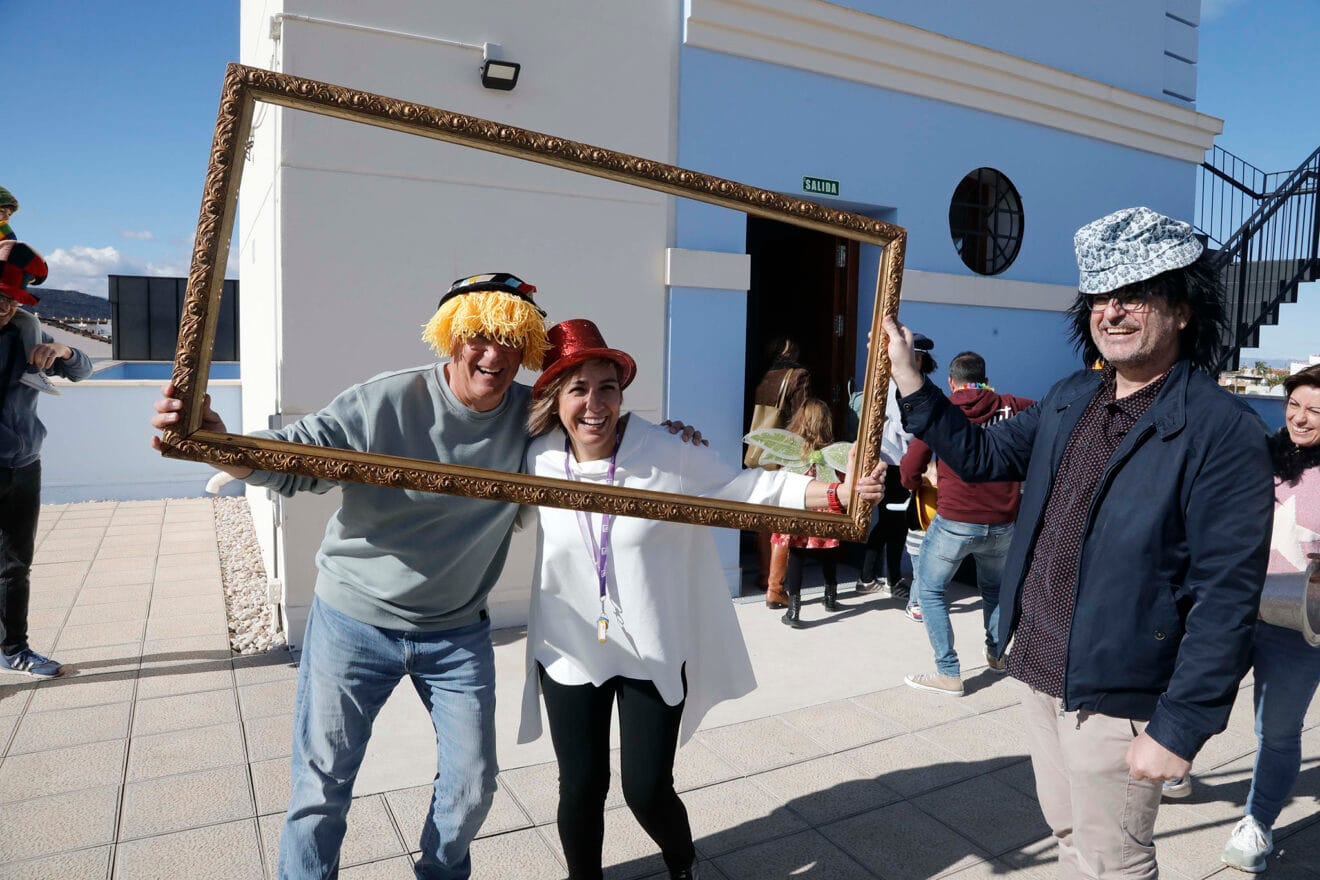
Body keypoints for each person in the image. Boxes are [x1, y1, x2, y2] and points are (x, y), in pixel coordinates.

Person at [884, 206, 1275, 879]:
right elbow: (978, 454)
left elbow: (1227, 593)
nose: (1112, 311)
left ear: (1182, 309)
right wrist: (910, 380)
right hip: (1037, 669)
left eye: (1135, 295)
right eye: (1100, 296)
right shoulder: (1072, 397)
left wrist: (1180, 727)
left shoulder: (1222, 430)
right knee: (1068, 830)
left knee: (1113, 861)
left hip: (1117, 696)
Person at [153, 272, 553, 879]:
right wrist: (214, 442)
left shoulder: (532, 419)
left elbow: (601, 438)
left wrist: (676, 445)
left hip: (458, 631)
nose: (494, 353)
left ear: (527, 347)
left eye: (510, 339)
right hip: (354, 621)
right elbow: (295, 457)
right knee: (321, 789)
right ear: (451, 338)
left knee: (473, 784)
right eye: (478, 335)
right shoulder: (386, 401)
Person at [517, 319, 883, 880]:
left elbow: (746, 488)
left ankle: (681, 864)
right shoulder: (533, 458)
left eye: (607, 388)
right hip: (569, 647)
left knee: (646, 788)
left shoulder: (665, 449)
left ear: (622, 394)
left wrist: (835, 491)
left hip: (651, 643)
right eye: (578, 389)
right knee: (582, 786)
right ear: (554, 397)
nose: (595, 404)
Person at [1219, 363, 1320, 873]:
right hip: (1234, 606)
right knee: (1188, 690)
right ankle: (1175, 763)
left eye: (1316, 411)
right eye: (1294, 405)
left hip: (1297, 626)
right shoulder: (1264, 455)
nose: (1301, 419)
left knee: (1276, 731)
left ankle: (1257, 821)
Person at [901, 351, 1034, 696]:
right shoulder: (1013, 405)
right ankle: (997, 654)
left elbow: (911, 465)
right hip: (1004, 521)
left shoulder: (944, 410)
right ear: (985, 377)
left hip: (955, 520)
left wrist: (914, 481)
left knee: (930, 591)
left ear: (951, 381)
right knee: (994, 590)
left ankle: (948, 673)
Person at [0, 239, 93, 678]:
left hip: (23, 466)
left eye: (10, 299)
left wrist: (64, 352)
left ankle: (13, 649)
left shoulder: (28, 332)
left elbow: (83, 369)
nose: (3, 307)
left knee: (16, 565)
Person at [855, 332, 934, 602]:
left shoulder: (912, 384)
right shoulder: (897, 386)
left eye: (920, 358)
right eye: (915, 357)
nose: (917, 363)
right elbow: (907, 427)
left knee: (891, 524)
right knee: (894, 524)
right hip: (895, 463)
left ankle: (874, 577)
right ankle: (887, 578)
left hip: (902, 462)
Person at [747, 338, 812, 609]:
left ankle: (764, 574)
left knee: (764, 515)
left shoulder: (762, 375)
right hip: (785, 453)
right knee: (783, 520)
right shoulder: (799, 375)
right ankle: (776, 587)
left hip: (760, 449)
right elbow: (802, 416)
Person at [773, 398, 848, 627]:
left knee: (796, 555)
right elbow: (842, 478)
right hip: (826, 505)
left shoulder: (792, 451)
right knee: (830, 552)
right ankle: (830, 598)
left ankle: (794, 611)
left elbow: (781, 476)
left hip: (800, 505)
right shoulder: (833, 452)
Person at [0, 192, 61, 395]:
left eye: (8, 214)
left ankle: (33, 370)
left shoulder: (6, 236)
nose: (5, 219)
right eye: (1, 212)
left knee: (30, 322)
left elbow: (16, 257)